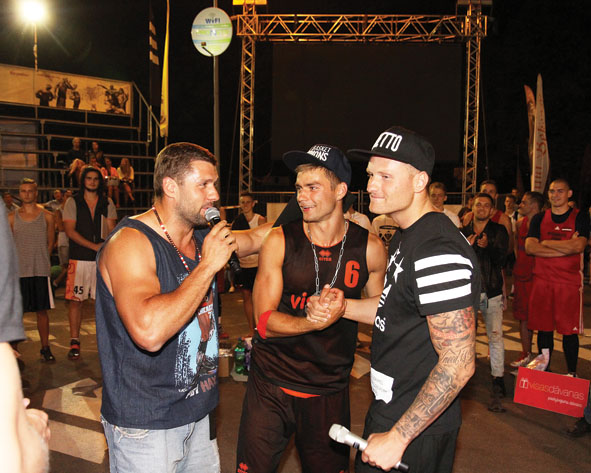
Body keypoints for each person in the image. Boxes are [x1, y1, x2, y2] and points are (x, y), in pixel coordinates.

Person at [96, 142, 271, 473]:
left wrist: (312, 216)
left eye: (214, 183)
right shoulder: (130, 242)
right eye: (203, 184)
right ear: (171, 187)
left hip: (199, 413)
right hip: (148, 423)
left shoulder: (202, 236)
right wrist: (208, 267)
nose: (214, 194)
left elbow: (258, 238)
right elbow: (148, 332)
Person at [236, 144, 386, 473]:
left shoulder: (370, 247)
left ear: (340, 191)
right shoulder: (280, 240)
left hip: (329, 389)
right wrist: (311, 322)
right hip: (271, 383)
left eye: (313, 187)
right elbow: (263, 322)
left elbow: (381, 311)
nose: (302, 197)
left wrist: (341, 307)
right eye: (299, 188)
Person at [342, 126, 479, 473]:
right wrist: (341, 307)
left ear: (420, 181)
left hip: (415, 428)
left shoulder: (436, 249)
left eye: (385, 176)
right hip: (392, 408)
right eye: (371, 174)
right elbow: (395, 309)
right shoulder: (409, 235)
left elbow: (459, 362)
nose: (371, 185)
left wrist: (399, 437)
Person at [525, 178, 590, 376]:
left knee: (569, 332)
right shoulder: (539, 218)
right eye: (552, 191)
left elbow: (578, 246)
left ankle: (571, 373)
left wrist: (545, 243)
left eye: (560, 191)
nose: (555, 195)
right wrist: (565, 247)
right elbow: (530, 247)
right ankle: (544, 370)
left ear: (569, 194)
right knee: (543, 330)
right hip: (542, 282)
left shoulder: (580, 217)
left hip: (568, 284)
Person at [461, 193, 509, 412]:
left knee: (495, 336)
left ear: (491, 210)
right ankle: (465, 376)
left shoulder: (499, 231)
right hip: (468, 293)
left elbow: (503, 260)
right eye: (478, 204)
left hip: (492, 292)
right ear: (472, 207)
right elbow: (456, 262)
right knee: (466, 337)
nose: (481, 208)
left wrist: (488, 246)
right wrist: (467, 247)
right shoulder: (462, 231)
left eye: (486, 205)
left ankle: (498, 377)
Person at [63, 166, 117, 360]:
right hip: (78, 258)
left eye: (95, 179)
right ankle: (74, 341)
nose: (92, 182)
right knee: (75, 301)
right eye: (89, 178)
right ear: (83, 181)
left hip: (101, 260)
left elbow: (111, 229)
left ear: (99, 182)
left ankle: (105, 342)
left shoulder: (107, 202)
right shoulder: (72, 201)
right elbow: (70, 231)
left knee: (102, 302)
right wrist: (94, 246)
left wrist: (103, 245)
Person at [8, 178, 56, 362]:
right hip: (18, 272)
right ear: (19, 194)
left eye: (30, 191)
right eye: (23, 191)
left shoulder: (47, 216)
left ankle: (45, 347)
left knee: (42, 311)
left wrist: (41, 261)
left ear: (36, 193)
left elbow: (50, 243)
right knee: (17, 313)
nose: (27, 194)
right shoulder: (11, 218)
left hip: (40, 270)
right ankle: (13, 350)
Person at [510, 191, 544, 368]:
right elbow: (516, 248)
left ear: (534, 205)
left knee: (542, 319)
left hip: (540, 276)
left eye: (524, 202)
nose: (520, 205)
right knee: (523, 317)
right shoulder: (520, 223)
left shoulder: (545, 223)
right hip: (522, 275)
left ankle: (544, 358)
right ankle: (526, 353)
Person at [231, 192, 267, 335]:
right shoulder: (237, 221)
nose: (245, 205)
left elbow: (265, 242)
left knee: (259, 298)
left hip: (258, 265)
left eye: (247, 202)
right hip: (243, 266)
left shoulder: (260, 220)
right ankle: (251, 330)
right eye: (242, 202)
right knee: (247, 297)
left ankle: (261, 328)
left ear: (253, 204)